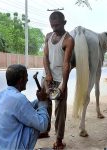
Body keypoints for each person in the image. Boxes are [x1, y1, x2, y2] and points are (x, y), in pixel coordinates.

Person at [0, 64, 49, 150]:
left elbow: (24, 109)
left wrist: (39, 100)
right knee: (35, 125)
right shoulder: (19, 99)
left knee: (30, 118)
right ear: (21, 80)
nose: (27, 80)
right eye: (26, 77)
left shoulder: (1, 95)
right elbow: (43, 125)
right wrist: (42, 103)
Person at [40, 11, 74, 149]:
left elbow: (66, 64)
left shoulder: (69, 39)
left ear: (64, 23)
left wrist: (63, 85)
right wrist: (48, 75)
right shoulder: (48, 36)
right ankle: (44, 131)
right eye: (52, 25)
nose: (54, 28)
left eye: (57, 25)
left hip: (60, 80)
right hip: (47, 78)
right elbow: (45, 56)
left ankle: (59, 140)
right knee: (44, 104)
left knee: (60, 111)